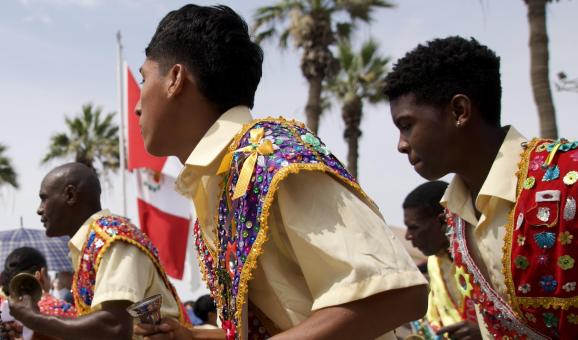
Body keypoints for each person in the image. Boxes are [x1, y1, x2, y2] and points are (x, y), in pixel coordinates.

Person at [134, 4, 428, 339]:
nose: (137, 104)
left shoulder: (271, 159)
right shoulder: (218, 181)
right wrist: (194, 336)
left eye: (144, 78)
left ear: (174, 79)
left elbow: (398, 293)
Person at [386, 36, 578, 339]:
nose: (401, 144)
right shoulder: (455, 218)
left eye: (407, 125)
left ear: (460, 111)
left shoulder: (570, 178)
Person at [8, 162, 189, 340]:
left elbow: (114, 326)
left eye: (44, 198)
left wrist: (34, 319)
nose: (39, 210)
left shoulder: (112, 238)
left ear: (70, 195)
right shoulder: (92, 243)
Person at [403, 181, 480, 340]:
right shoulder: (435, 263)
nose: (408, 236)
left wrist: (485, 331)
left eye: (414, 227)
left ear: (442, 221)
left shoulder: (481, 253)